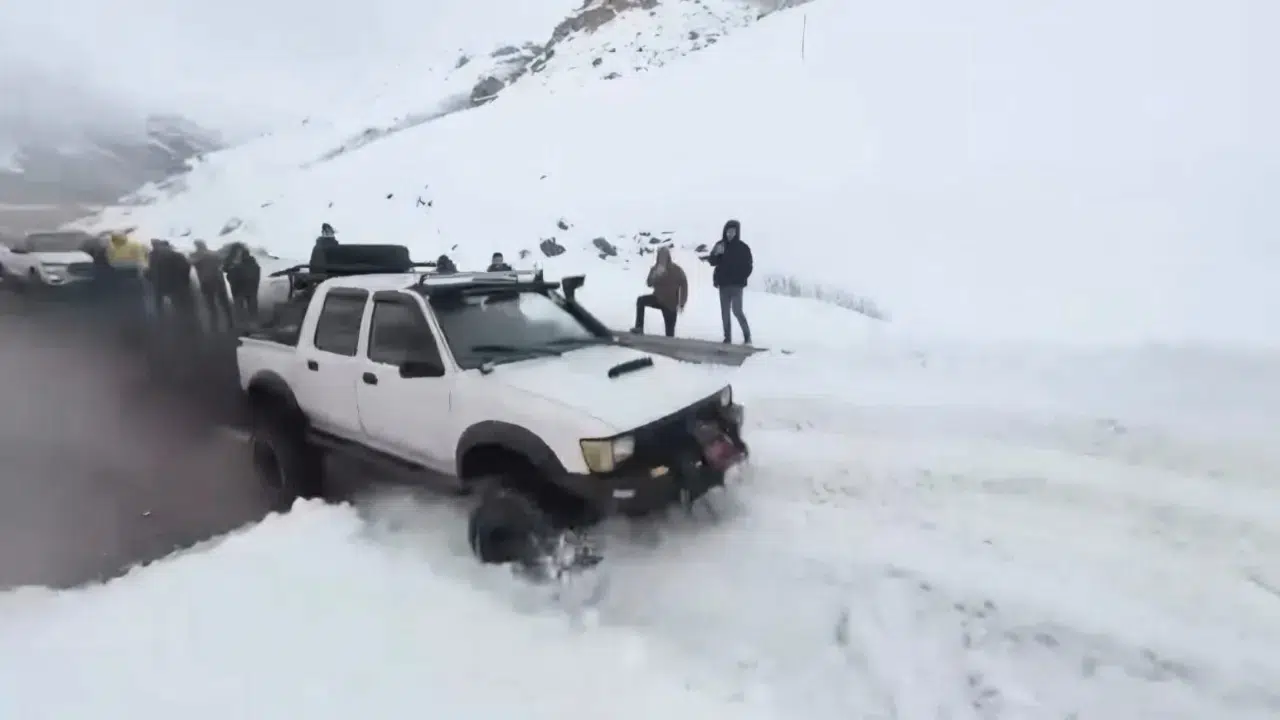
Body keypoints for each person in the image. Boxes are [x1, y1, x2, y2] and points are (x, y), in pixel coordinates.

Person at [705, 219, 752, 345]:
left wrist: (742, 278)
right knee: (725, 312)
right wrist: (716, 254)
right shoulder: (720, 245)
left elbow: (749, 266)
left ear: (737, 232)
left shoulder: (743, 248)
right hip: (724, 285)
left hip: (737, 286)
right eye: (727, 231)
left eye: (732, 231)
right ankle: (727, 338)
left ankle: (747, 336)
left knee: (737, 310)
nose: (729, 234)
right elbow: (711, 261)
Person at [631, 246, 687, 337]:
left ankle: (669, 346)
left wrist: (682, 302)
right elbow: (649, 283)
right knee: (641, 300)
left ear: (668, 257)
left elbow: (684, 285)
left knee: (669, 333)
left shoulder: (676, 270)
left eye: (664, 256)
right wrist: (655, 275)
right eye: (660, 256)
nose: (662, 259)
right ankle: (639, 327)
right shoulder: (655, 269)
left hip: (670, 303)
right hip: (658, 298)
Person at [149, 240, 197, 330]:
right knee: (186, 307)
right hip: (180, 285)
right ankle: (191, 326)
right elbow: (186, 268)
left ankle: (180, 327)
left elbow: (154, 272)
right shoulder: (177, 255)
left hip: (167, 286)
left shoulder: (157, 258)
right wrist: (185, 280)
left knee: (177, 307)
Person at [191, 239, 233, 332]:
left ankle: (214, 324)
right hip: (218, 279)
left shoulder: (195, 256)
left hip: (206, 281)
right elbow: (222, 262)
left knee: (211, 304)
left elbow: (190, 263)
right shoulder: (214, 254)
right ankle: (230, 322)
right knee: (223, 302)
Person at [223, 242, 261, 324]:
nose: (239, 252)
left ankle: (250, 323)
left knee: (249, 306)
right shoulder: (231, 259)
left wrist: (233, 269)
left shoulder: (249, 260)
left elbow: (256, 273)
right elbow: (225, 269)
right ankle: (245, 323)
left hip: (243, 288)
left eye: (240, 250)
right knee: (242, 306)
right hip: (241, 288)